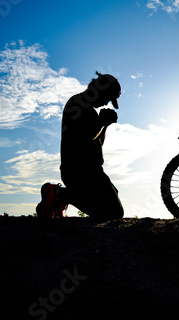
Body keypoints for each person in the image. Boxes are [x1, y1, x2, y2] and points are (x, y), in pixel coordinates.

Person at [36, 72, 124, 219]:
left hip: (93, 172)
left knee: (114, 211)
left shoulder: (90, 111)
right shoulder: (76, 104)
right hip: (78, 172)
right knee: (112, 212)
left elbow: (97, 142)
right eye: (108, 98)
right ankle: (56, 194)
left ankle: (59, 197)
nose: (106, 103)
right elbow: (83, 140)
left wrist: (105, 125)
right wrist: (101, 123)